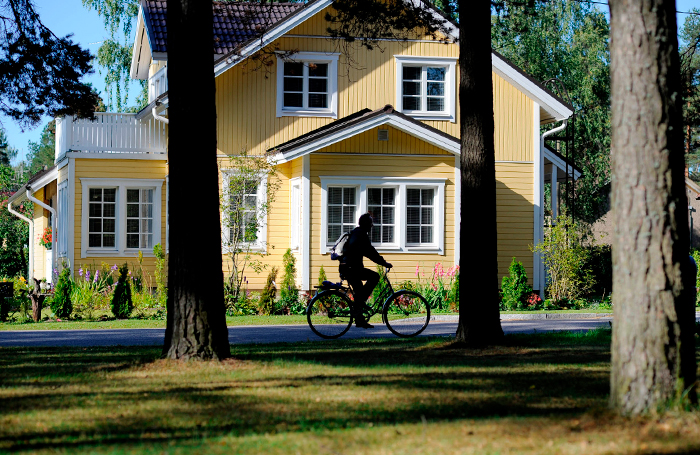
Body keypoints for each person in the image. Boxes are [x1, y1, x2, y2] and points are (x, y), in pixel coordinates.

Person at [339, 213, 392, 329]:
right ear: (365, 224)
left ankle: (359, 317)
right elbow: (370, 252)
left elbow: (369, 251)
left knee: (359, 292)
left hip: (350, 268)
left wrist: (382, 262)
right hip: (351, 269)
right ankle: (358, 307)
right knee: (374, 277)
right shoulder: (361, 235)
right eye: (370, 223)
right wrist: (384, 263)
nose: (372, 225)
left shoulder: (357, 232)